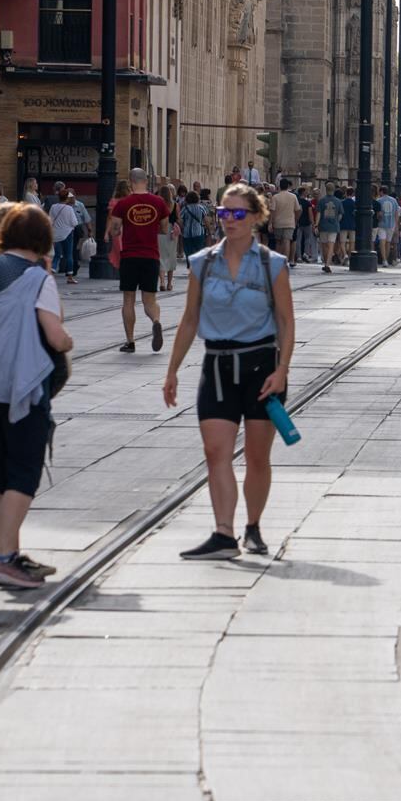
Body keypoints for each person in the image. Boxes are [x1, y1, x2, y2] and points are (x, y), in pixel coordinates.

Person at [161, 185, 296, 560]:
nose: (229, 221)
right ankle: (223, 533)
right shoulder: (203, 262)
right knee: (215, 451)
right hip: (217, 366)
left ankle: (252, 526)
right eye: (224, 213)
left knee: (256, 457)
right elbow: (189, 319)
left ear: (255, 217)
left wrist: (282, 370)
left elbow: (286, 322)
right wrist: (171, 370)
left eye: (238, 214)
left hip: (261, 369)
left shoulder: (272, 264)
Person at [0, 204, 72, 588]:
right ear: (43, 240)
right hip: (19, 389)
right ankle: (2, 558)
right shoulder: (37, 278)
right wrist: (68, 340)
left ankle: (5, 553)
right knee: (23, 472)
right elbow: (54, 335)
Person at [109, 168, 169, 353]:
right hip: (151, 256)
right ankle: (156, 321)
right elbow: (164, 229)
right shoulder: (158, 202)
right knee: (149, 300)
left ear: (131, 181)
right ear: (146, 180)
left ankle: (130, 341)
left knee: (128, 299)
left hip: (130, 256)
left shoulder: (123, 204)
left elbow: (115, 230)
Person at [48, 187, 81, 284]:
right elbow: (74, 222)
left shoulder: (53, 207)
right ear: (66, 198)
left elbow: (50, 220)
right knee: (69, 255)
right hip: (68, 234)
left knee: (57, 255)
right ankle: (70, 277)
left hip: (56, 234)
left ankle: (51, 273)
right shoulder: (69, 208)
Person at [269, 178, 300, 261]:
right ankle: (285, 260)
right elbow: (297, 210)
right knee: (287, 241)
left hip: (278, 222)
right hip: (290, 222)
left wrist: (270, 223)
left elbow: (272, 211)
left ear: (279, 186)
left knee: (278, 242)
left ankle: (277, 259)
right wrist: (296, 219)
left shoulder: (275, 197)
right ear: (288, 186)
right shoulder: (293, 197)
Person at [156, 183, 179, 292]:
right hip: (172, 232)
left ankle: (162, 282)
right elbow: (178, 219)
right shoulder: (175, 205)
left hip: (160, 231)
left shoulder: (158, 204)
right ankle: (169, 284)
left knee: (160, 256)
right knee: (171, 257)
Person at [317, 182, 342, 272]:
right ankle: (328, 263)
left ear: (326, 189)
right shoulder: (338, 201)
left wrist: (316, 225)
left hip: (323, 225)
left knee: (324, 245)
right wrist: (336, 221)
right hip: (334, 226)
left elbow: (319, 214)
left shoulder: (321, 201)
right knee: (331, 245)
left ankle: (325, 262)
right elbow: (340, 215)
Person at [379, 185, 401, 264]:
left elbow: (379, 214)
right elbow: (396, 213)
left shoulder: (379, 200)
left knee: (382, 242)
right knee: (388, 242)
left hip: (382, 224)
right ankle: (386, 259)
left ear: (381, 191)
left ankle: (384, 259)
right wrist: (396, 225)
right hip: (391, 224)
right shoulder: (394, 200)